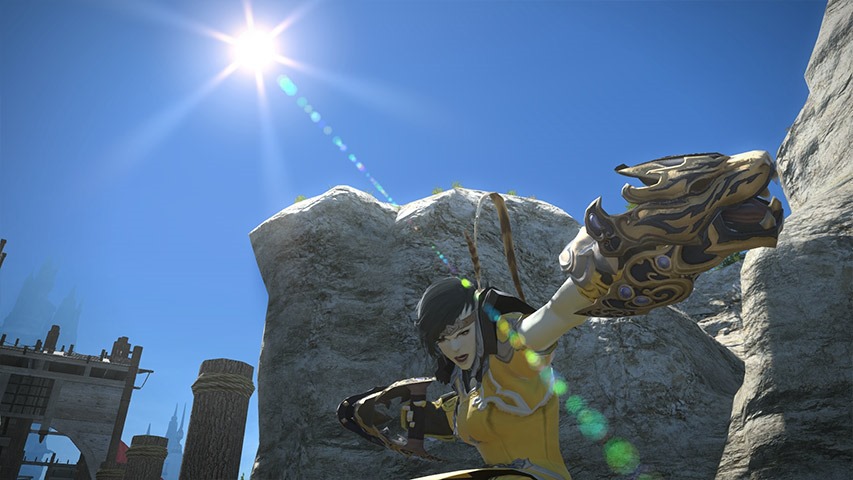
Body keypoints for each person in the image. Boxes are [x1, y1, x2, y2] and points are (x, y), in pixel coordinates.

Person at [338, 151, 784, 480]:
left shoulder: (516, 354)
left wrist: (597, 270)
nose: (453, 346)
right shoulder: (467, 392)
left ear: (481, 318)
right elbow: (435, 420)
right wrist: (369, 414)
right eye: (443, 339)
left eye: (461, 330)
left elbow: (556, 313)